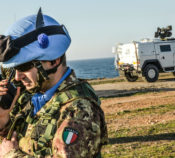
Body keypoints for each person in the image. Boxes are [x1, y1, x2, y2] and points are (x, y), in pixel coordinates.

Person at [0, 8, 108, 157]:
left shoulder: (79, 110)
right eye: (13, 70)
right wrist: (3, 120)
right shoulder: (30, 99)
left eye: (24, 67)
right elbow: (16, 141)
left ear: (53, 60)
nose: (17, 77)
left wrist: (11, 155)